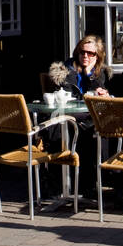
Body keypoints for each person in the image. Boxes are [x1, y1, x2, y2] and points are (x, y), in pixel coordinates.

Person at [41, 35, 111, 200]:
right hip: (66, 117)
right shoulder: (65, 71)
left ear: (98, 56)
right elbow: (66, 94)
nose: (85, 56)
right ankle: (61, 185)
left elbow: (98, 97)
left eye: (90, 54)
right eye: (82, 52)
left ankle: (89, 185)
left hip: (88, 119)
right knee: (67, 131)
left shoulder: (101, 73)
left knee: (96, 132)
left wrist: (91, 77)